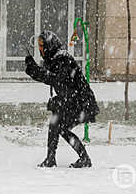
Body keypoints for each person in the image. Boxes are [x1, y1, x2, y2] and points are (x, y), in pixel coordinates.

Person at [25, 30, 99, 168]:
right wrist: (33, 68)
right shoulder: (55, 59)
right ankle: (51, 159)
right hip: (71, 101)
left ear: (49, 45)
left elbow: (55, 79)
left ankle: (83, 159)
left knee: (61, 127)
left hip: (81, 103)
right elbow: (51, 78)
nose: (40, 49)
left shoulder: (63, 59)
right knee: (56, 125)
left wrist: (34, 69)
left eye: (42, 45)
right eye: (39, 45)